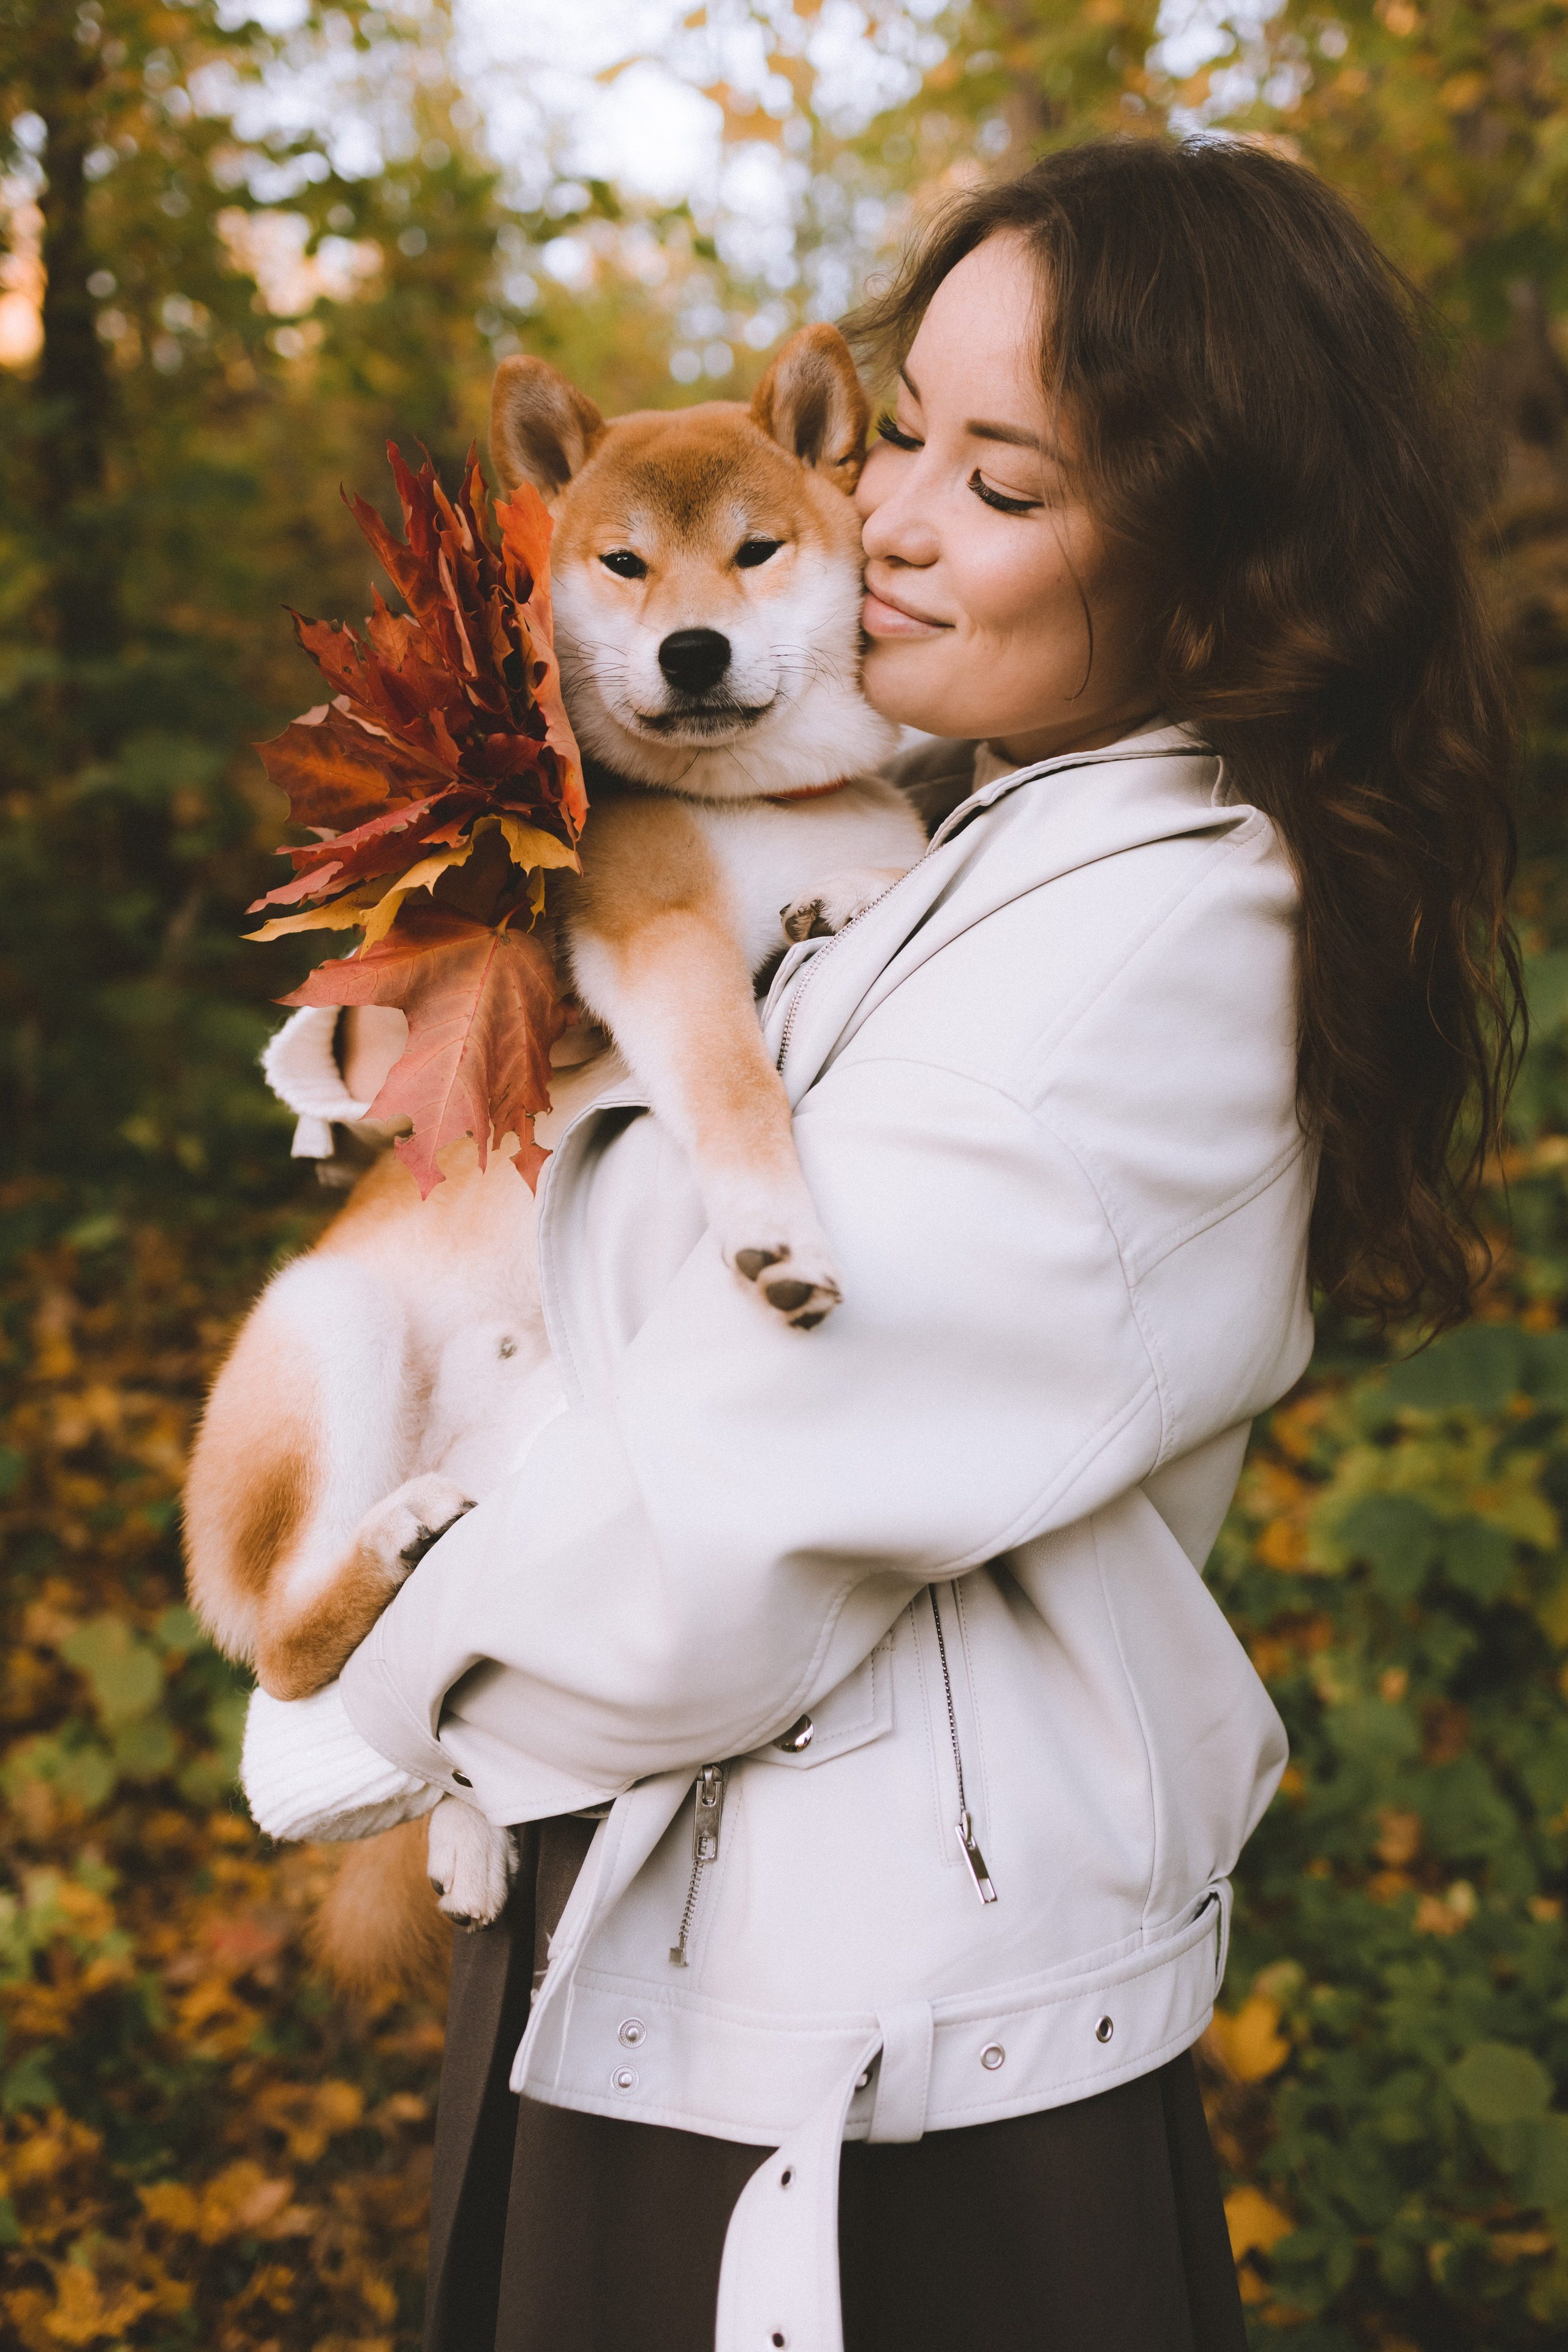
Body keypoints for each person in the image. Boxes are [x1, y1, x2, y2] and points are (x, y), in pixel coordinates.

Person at [240, 137, 1521, 2351]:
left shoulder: (1147, 944)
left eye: (999, 482)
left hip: (863, 2062)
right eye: (906, 434)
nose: (888, 518)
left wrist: (345, 1714)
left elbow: (722, 1536)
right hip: (680, 1947)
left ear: (1228, 565)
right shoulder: (973, 837)